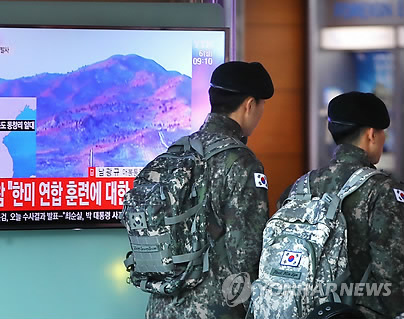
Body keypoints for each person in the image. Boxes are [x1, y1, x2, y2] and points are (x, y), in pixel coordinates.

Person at [145, 61, 274, 319]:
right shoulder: (242, 162)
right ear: (250, 105)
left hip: (161, 306)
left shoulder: (178, 152)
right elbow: (246, 253)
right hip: (214, 309)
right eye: (261, 106)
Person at [278, 91, 404, 319]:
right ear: (371, 134)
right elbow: (392, 274)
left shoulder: (301, 185)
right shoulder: (383, 191)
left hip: (302, 310)